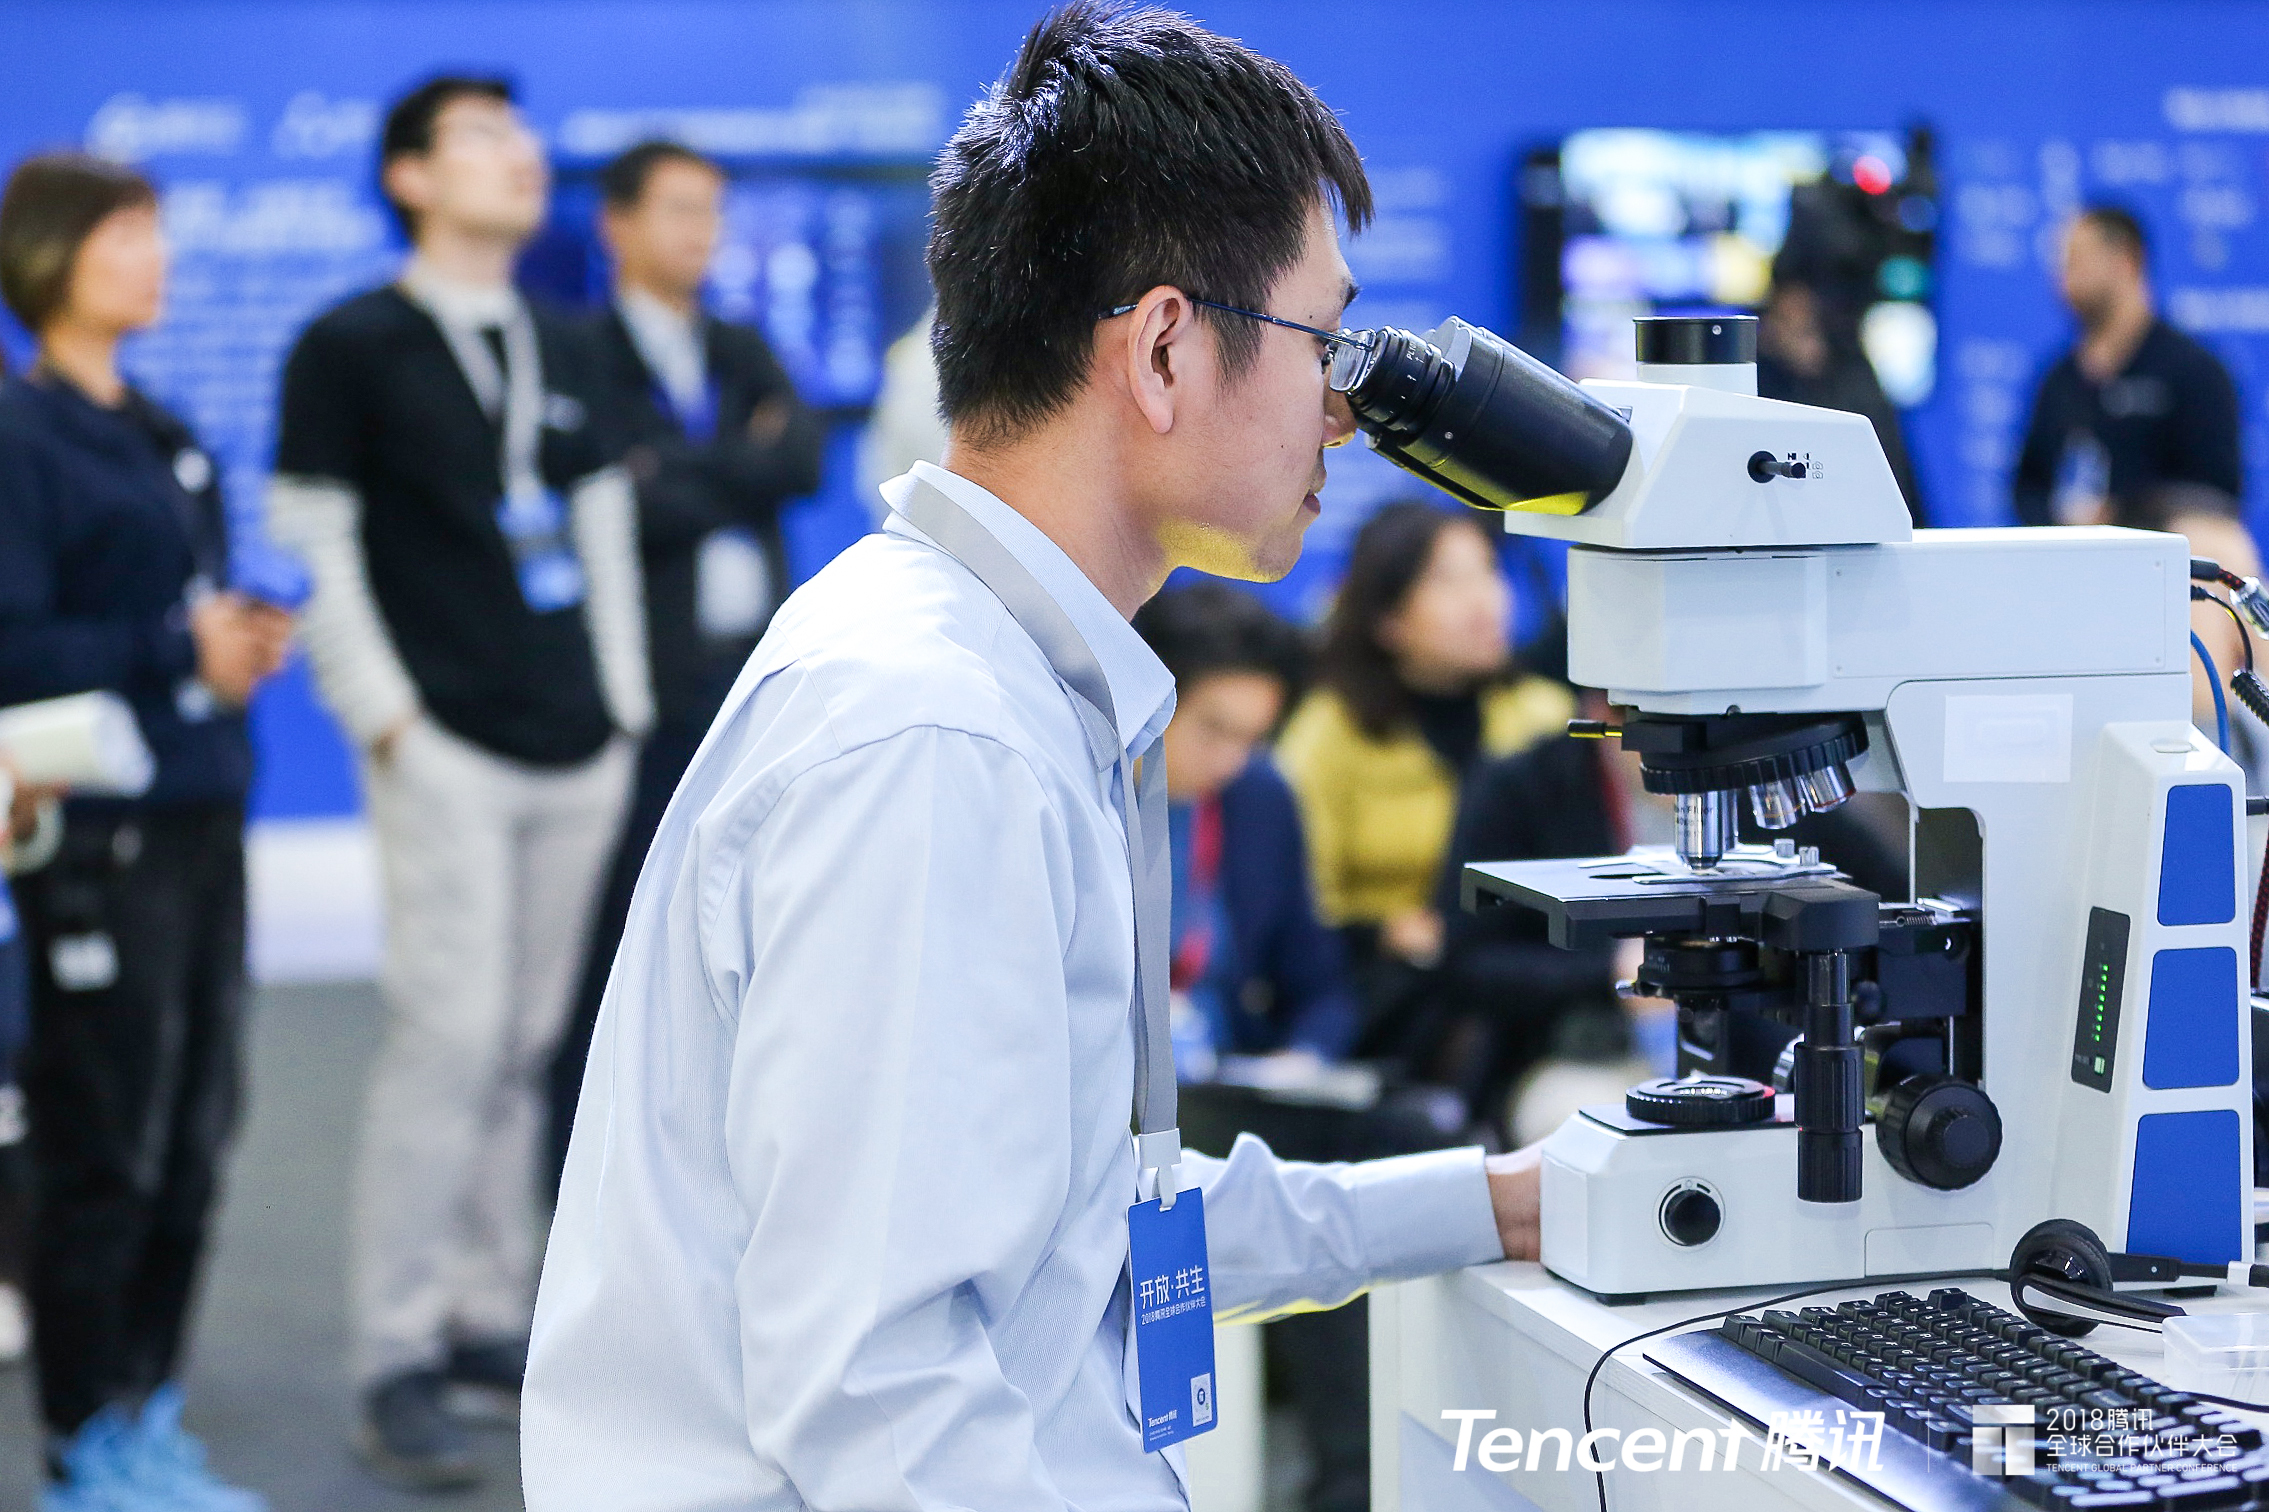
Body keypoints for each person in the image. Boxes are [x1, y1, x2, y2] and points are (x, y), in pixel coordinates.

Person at [522, 8, 1541, 1509]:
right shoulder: (935, 736)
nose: (1342, 405)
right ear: (1165, 349)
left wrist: (1494, 1203)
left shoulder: (995, 674)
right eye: (1321, 341)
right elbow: (887, 1407)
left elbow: (1074, 1224)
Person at [266, 76, 649, 1489]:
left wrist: (623, 706)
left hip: (576, 741)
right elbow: (315, 539)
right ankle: (397, 1353)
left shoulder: (566, 335)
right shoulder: (349, 344)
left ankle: (491, 1313)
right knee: (450, 1040)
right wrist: (386, 720)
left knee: (528, 1044)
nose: (519, 155)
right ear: (409, 176)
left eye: (520, 134)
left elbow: (601, 529)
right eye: (482, 137)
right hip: (446, 749)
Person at [0, 150, 294, 1512]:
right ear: (49, 256)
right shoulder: (20, 434)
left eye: (154, 233)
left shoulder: (163, 428)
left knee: (192, 1134)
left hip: (199, 812)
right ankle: (81, 1441)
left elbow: (184, 604)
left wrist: (232, 643)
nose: (152, 257)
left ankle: (146, 1411)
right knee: (102, 1145)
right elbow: (14, 643)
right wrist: (178, 643)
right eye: (123, 234)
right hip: (95, 835)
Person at [547, 139, 822, 1186]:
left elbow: (798, 461)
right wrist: (735, 464)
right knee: (620, 944)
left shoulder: (741, 344)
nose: (700, 233)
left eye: (711, 210)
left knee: (750, 937)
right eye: (676, 209)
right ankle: (579, 1184)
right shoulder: (581, 351)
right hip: (647, 690)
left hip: (750, 677)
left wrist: (676, 470)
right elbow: (622, 502)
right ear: (616, 225)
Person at [1275, 500, 1572, 1052]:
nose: (1485, 600)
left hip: (1530, 988)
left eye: (1489, 571)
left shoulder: (1546, 717)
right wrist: (1384, 931)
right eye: (1448, 581)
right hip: (1387, 999)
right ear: (1386, 617)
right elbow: (1297, 908)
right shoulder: (1331, 732)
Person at [2013, 205, 2242, 527]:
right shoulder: (2058, 380)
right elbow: (2029, 487)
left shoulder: (2194, 372)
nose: (2062, 280)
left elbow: (2215, 493)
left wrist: (2122, 515)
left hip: (2166, 549)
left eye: (2076, 261)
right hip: (2071, 551)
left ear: (2125, 262)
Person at [1757, 277, 1925, 524]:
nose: (1788, 335)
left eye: (1804, 328)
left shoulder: (1856, 382)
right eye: (1784, 323)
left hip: (1863, 519)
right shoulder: (1759, 381)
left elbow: (1891, 472)